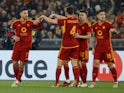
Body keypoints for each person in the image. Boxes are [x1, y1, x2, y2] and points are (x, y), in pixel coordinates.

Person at [40, 6, 80, 87]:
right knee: (74, 64)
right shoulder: (75, 19)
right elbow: (65, 18)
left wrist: (44, 16)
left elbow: (51, 21)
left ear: (66, 12)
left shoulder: (65, 21)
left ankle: (56, 83)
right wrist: (55, 14)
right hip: (75, 45)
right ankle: (77, 82)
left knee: (59, 63)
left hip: (66, 46)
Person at [8, 7, 43, 87]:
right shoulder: (15, 23)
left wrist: (39, 22)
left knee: (22, 64)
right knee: (14, 63)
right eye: (24, 13)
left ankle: (16, 81)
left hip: (26, 46)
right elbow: (9, 31)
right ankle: (18, 78)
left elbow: (40, 29)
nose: (26, 14)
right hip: (17, 46)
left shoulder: (31, 22)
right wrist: (13, 37)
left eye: (27, 13)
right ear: (20, 14)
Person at [88, 9, 118, 88]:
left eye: (104, 14)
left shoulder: (108, 24)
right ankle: (93, 82)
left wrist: (114, 30)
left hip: (107, 48)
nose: (103, 16)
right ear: (97, 16)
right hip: (98, 48)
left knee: (110, 65)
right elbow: (93, 38)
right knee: (96, 63)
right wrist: (93, 48)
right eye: (101, 14)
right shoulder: (94, 25)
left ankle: (115, 81)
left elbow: (115, 30)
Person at [72, 10, 92, 87]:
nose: (80, 16)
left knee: (83, 64)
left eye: (82, 15)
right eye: (80, 15)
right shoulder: (76, 24)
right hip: (76, 46)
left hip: (84, 47)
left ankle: (84, 82)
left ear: (86, 16)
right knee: (76, 64)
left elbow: (89, 36)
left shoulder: (87, 25)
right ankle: (77, 80)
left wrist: (79, 36)